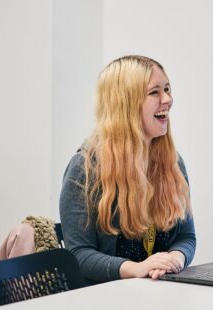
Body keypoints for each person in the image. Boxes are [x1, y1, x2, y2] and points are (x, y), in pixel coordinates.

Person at [59, 55, 195, 285]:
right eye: (155, 92)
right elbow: (79, 254)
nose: (168, 99)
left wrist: (175, 258)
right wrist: (138, 268)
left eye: (167, 89)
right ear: (126, 103)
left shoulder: (172, 163)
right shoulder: (84, 169)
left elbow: (186, 237)